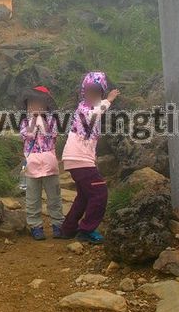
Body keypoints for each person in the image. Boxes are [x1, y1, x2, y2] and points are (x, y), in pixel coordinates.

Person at [60, 72, 119, 244]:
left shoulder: (87, 109)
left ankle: (68, 229)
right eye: (89, 91)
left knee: (84, 196)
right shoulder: (84, 109)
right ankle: (86, 230)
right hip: (79, 159)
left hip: (78, 159)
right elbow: (95, 114)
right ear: (83, 92)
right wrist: (109, 99)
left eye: (97, 92)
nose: (93, 95)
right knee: (100, 193)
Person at [19, 86, 64, 241]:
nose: (35, 107)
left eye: (38, 103)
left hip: (50, 164)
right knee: (32, 198)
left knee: (54, 197)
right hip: (32, 166)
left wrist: (41, 119)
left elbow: (49, 134)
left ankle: (58, 224)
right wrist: (33, 121)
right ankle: (35, 226)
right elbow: (27, 135)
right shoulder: (24, 121)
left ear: (46, 105)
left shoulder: (52, 119)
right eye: (31, 104)